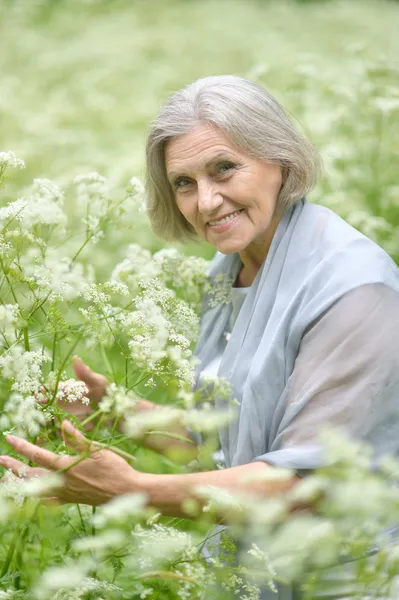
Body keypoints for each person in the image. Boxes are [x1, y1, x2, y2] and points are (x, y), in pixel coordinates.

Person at [1, 75, 399, 597]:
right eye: (184, 183)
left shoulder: (354, 288)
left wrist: (133, 491)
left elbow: (304, 484)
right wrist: (119, 409)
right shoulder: (228, 269)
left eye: (224, 169)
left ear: (281, 160)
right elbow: (229, 450)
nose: (206, 201)